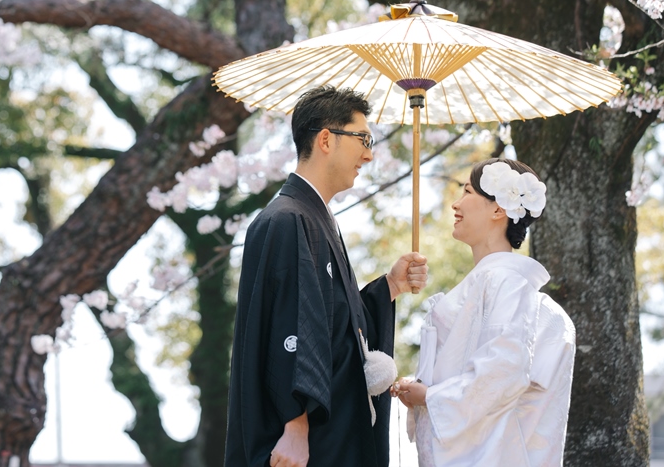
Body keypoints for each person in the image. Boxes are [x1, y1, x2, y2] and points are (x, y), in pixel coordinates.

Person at [225, 85, 428, 467]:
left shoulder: (314, 219)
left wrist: (391, 285)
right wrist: (295, 423)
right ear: (325, 139)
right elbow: (290, 326)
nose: (368, 155)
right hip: (304, 441)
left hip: (330, 434)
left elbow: (334, 328)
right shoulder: (287, 219)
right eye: (363, 139)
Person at [393, 158, 576, 467]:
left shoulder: (506, 282)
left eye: (467, 192)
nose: (456, 204)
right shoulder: (497, 283)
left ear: (498, 209)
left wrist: (429, 396)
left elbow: (503, 370)